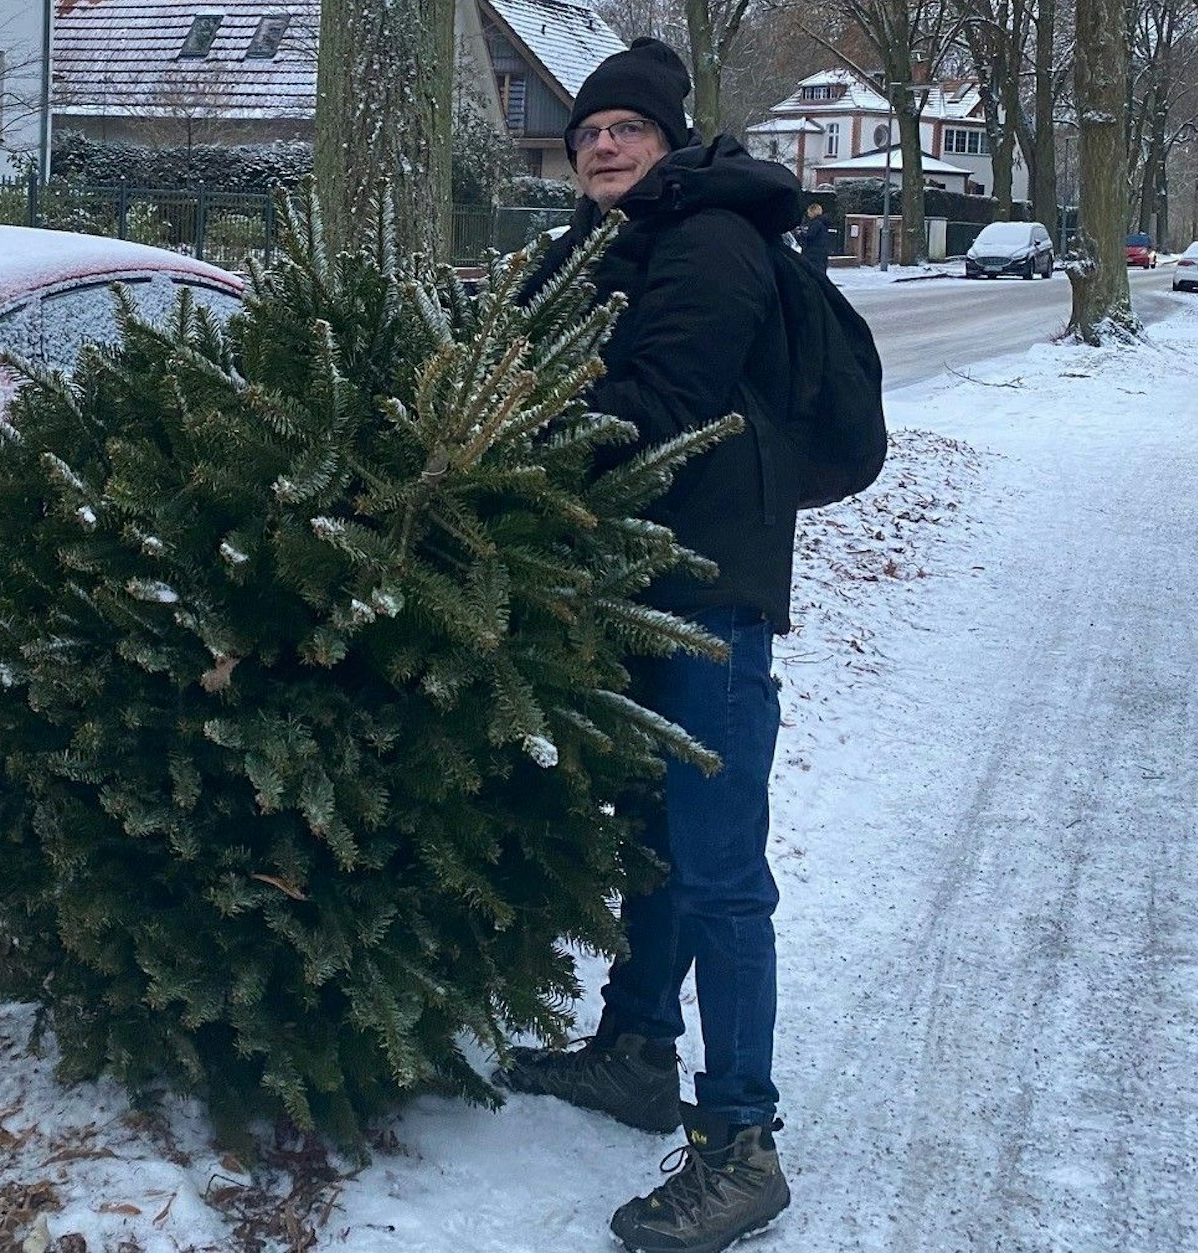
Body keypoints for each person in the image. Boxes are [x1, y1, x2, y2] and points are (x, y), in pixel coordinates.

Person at [493, 35, 809, 1253]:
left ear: (667, 140)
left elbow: (662, 409)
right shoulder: (591, 245)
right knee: (651, 827)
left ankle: (740, 1140)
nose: (603, 148)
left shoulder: (713, 241)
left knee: (721, 862)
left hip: (708, 586)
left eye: (623, 130)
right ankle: (634, 1048)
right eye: (585, 135)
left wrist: (515, 410)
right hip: (621, 578)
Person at [795, 201, 832, 274]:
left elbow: (810, 236)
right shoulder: (823, 223)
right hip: (821, 253)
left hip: (813, 254)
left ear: (813, 212)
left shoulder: (815, 223)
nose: (808, 214)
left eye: (809, 212)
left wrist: (799, 235)